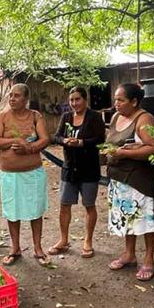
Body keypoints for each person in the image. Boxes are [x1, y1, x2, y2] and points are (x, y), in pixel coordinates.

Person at [102, 83, 154, 281]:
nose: (116, 104)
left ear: (134, 101)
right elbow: (110, 140)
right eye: (115, 100)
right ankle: (129, 254)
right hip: (120, 179)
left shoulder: (144, 119)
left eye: (121, 100)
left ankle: (149, 259)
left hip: (139, 181)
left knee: (145, 220)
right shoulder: (116, 117)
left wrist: (122, 152)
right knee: (126, 218)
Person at [0, 83, 51, 266]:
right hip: (10, 175)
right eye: (11, 96)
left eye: (17, 96)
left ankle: (38, 248)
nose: (12, 99)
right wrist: (16, 140)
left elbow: (45, 139)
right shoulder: (3, 117)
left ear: (26, 99)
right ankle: (15, 248)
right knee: (12, 212)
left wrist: (30, 148)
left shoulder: (35, 116)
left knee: (35, 211)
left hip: (33, 174)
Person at [48, 86, 105, 258]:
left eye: (77, 99)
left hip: (89, 169)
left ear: (85, 100)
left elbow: (100, 139)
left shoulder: (94, 117)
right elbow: (56, 136)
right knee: (64, 205)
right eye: (71, 100)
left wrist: (81, 143)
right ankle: (63, 240)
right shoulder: (66, 117)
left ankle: (88, 240)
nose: (74, 103)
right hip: (69, 168)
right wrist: (65, 140)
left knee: (89, 205)